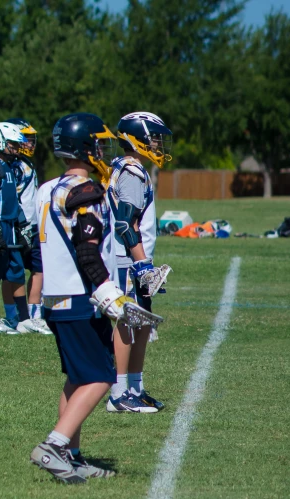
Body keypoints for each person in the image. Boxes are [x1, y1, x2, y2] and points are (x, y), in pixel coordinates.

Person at [30, 112, 121, 483]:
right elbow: (87, 252)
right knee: (102, 376)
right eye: (99, 144)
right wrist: (109, 293)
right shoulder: (87, 191)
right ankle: (53, 446)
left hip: (54, 297)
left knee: (76, 378)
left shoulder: (48, 188)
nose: (103, 150)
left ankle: (72, 455)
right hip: (79, 296)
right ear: (86, 148)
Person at [105, 112, 173, 414]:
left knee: (142, 322)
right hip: (127, 260)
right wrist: (142, 264)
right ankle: (118, 393)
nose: (158, 143)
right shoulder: (132, 172)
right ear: (137, 139)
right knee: (127, 320)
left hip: (135, 258)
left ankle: (135, 387)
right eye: (153, 137)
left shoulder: (132, 169)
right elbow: (124, 223)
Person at [0, 122, 45, 335]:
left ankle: (23, 320)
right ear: (0, 142)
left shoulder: (9, 166)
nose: (15, 148)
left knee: (14, 269)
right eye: (12, 144)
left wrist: (22, 225)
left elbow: (13, 199)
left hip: (10, 223)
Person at [1, 119, 51, 335]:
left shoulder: (27, 164)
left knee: (40, 270)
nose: (30, 144)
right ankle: (13, 316)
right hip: (17, 226)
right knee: (12, 273)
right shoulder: (12, 167)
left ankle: (34, 315)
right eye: (26, 139)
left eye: (32, 139)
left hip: (34, 226)